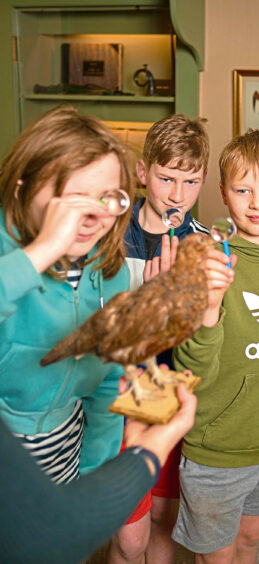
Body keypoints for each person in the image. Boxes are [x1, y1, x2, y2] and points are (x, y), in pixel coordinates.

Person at [171, 128, 259, 564]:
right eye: (243, 189)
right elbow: (191, 367)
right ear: (223, 193)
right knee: (216, 555)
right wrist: (208, 308)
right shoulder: (207, 260)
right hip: (220, 446)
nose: (257, 202)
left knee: (251, 539)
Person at [0, 104, 134, 484]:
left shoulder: (109, 271)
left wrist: (94, 471)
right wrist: (43, 250)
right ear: (22, 189)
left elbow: (108, 379)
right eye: (73, 199)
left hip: (64, 449)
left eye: (108, 198)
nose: (92, 216)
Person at [108, 113, 209, 564]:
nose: (177, 194)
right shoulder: (106, 239)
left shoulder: (203, 246)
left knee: (164, 527)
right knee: (129, 540)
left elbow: (207, 340)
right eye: (167, 178)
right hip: (115, 403)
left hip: (171, 396)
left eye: (191, 182)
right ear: (144, 173)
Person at [0, 383, 197, 564]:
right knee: (128, 543)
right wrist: (145, 457)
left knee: (151, 530)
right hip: (106, 434)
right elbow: (51, 535)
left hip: (107, 430)